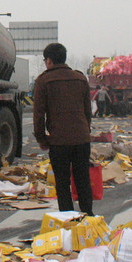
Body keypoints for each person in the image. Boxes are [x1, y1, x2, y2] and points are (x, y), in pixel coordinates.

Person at [33, 43, 94, 215]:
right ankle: (88, 215)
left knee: (62, 182)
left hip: (59, 141)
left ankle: (68, 218)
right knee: (83, 179)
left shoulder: (43, 81)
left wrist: (41, 139)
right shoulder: (80, 79)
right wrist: (85, 131)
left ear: (49, 60)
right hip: (82, 139)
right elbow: (87, 111)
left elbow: (39, 114)